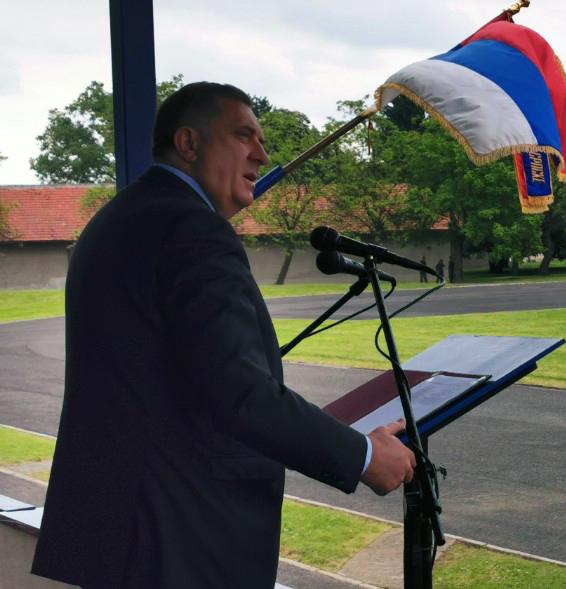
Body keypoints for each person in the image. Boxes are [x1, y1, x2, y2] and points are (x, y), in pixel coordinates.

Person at [32, 83, 416, 588]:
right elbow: (238, 392)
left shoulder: (119, 219)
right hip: (177, 535)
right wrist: (363, 456)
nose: (261, 153)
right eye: (243, 135)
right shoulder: (194, 230)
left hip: (120, 528)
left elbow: (178, 379)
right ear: (188, 144)